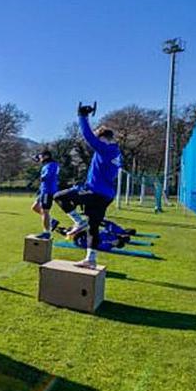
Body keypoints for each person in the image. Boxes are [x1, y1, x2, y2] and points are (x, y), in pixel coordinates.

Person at [53, 104, 122, 269]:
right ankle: (90, 258)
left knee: (59, 197)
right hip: (106, 195)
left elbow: (88, 136)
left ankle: (78, 221)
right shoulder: (117, 153)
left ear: (103, 138)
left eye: (99, 139)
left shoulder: (105, 149)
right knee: (93, 227)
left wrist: (82, 116)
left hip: (94, 190)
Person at [31, 150, 59, 239]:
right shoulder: (48, 165)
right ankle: (52, 221)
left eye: (41, 156)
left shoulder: (51, 165)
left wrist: (40, 177)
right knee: (35, 207)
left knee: (45, 211)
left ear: (46, 156)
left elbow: (47, 176)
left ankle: (46, 233)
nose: (40, 159)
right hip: (43, 190)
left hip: (48, 191)